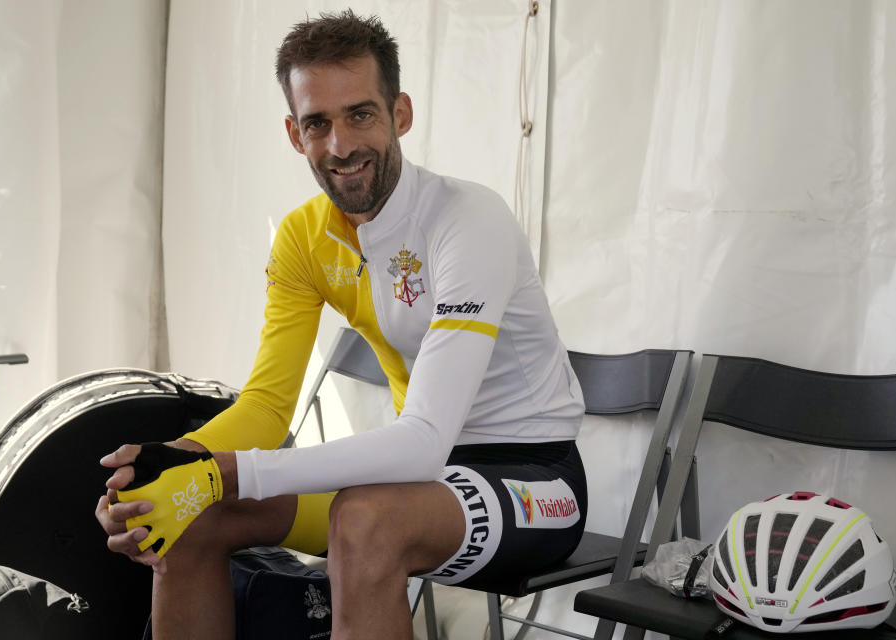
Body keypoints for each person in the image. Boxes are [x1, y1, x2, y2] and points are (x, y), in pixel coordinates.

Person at [95, 9, 588, 640]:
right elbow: (269, 407)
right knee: (193, 515)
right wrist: (170, 469)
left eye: (360, 114)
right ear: (294, 134)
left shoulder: (470, 220)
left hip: (532, 479)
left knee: (364, 520)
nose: (341, 145)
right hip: (411, 478)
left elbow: (425, 439)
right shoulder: (303, 238)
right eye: (317, 123)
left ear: (400, 113)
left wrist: (224, 470)